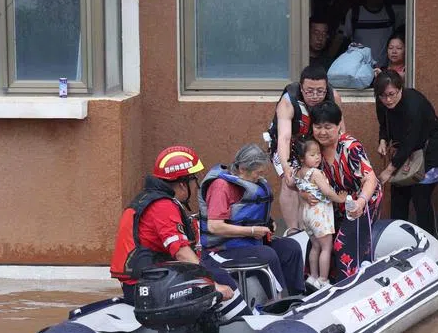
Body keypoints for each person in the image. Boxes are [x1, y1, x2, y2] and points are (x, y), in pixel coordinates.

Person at [110, 145, 247, 319]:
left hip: (144, 281)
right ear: (183, 184)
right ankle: (247, 330)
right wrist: (213, 284)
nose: (195, 186)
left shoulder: (149, 199)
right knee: (220, 280)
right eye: (194, 181)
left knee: (215, 272)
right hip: (148, 287)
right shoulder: (162, 206)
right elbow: (181, 252)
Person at [199, 144, 307, 298]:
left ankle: (297, 296)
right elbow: (214, 226)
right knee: (267, 255)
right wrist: (251, 231)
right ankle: (279, 302)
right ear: (242, 169)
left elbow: (246, 213)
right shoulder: (220, 187)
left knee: (291, 247)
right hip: (221, 250)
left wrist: (268, 223)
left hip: (250, 244)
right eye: (258, 173)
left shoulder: (250, 182)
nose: (260, 178)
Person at [373, 70, 438, 237]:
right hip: (405, 154)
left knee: (420, 196)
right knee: (398, 196)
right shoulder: (381, 101)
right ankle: (399, 241)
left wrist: (389, 170)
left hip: (430, 150)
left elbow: (411, 141)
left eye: (392, 94)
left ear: (400, 89)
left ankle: (430, 242)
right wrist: (382, 140)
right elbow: (384, 124)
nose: (388, 100)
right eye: (383, 96)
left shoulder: (414, 104)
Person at [265, 65, 345, 230]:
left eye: (320, 91)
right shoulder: (288, 101)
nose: (315, 96)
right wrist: (286, 166)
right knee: (291, 182)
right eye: (309, 91)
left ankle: (316, 226)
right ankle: (294, 229)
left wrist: (340, 157)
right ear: (301, 88)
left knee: (321, 179)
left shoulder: (334, 96)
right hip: (290, 143)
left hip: (317, 142)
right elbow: (284, 138)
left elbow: (340, 130)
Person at [310, 100, 383, 281]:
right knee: (319, 241)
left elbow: (370, 178)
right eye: (318, 127)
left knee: (343, 245)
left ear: (338, 126)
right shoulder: (313, 148)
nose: (322, 132)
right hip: (335, 203)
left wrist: (360, 202)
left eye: (328, 127)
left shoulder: (350, 147)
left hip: (363, 200)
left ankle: (348, 285)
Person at [291, 137, 349, 289]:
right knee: (326, 248)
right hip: (319, 214)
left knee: (315, 246)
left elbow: (297, 188)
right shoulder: (315, 173)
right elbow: (327, 192)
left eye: (318, 153)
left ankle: (312, 277)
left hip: (306, 214)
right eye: (312, 154)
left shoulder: (298, 172)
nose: (317, 157)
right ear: (302, 158)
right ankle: (323, 280)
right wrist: (340, 199)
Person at [340, 0, 397, 67]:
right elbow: (343, 39)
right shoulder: (355, 13)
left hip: (384, 70)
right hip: (359, 70)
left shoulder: (391, 12)